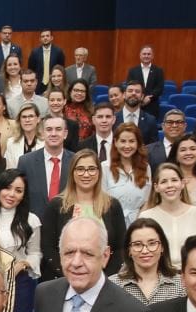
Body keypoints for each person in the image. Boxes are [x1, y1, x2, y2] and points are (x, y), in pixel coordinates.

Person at [40, 149, 126, 280]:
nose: (86, 174)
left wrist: (103, 277)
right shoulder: (57, 205)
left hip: (104, 279)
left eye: (91, 169)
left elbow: (121, 247)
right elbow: (48, 246)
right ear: (72, 173)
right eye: (80, 169)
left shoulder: (112, 205)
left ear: (99, 172)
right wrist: (70, 274)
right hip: (63, 278)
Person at [139, 163, 196, 268]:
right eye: (164, 181)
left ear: (182, 183)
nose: (169, 185)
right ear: (156, 187)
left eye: (174, 180)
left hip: (190, 274)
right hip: (158, 274)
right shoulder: (146, 217)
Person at [0, 169, 41, 312]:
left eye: (18, 190)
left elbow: (35, 253)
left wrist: (21, 265)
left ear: (24, 195)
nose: (11, 194)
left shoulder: (31, 220)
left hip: (20, 282)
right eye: (7, 188)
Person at [109, 218, 185, 305]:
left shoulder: (180, 285)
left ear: (162, 247)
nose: (145, 251)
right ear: (129, 250)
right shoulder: (113, 285)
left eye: (152, 243)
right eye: (137, 244)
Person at [20, 115, 73, 218]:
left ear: (65, 134)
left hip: (68, 224)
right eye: (49, 129)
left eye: (58, 129)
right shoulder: (26, 162)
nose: (53, 134)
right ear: (42, 134)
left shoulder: (75, 161)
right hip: (35, 225)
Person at [102, 122, 151, 226]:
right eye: (123, 141)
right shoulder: (105, 167)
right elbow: (102, 201)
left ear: (137, 143)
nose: (127, 146)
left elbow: (147, 201)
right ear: (115, 142)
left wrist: (138, 224)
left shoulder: (146, 167)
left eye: (132, 141)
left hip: (139, 224)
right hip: (112, 223)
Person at [126, 45, 164, 117]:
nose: (146, 56)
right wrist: (141, 98)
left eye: (149, 54)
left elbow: (160, 88)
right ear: (140, 56)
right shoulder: (132, 71)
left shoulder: (158, 70)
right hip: (136, 104)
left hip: (152, 105)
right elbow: (129, 86)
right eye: (144, 54)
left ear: (152, 56)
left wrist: (149, 98)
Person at [27, 29, 66, 94]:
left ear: (51, 38)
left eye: (47, 36)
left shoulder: (58, 51)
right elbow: (31, 69)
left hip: (54, 84)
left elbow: (61, 69)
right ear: (40, 39)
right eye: (43, 36)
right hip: (38, 85)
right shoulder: (34, 52)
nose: (45, 38)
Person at [4, 103, 41, 168]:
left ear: (38, 119)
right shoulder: (11, 142)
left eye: (31, 116)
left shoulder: (46, 142)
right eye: (24, 117)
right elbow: (10, 170)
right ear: (19, 120)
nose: (27, 120)